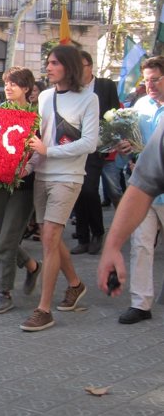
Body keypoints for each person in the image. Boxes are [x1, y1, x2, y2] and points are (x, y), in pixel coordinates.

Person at [20, 45, 99, 332]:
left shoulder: (89, 99)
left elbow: (89, 143)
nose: (49, 67)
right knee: (49, 237)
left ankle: (44, 309)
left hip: (68, 176)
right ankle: (75, 285)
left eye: (54, 63)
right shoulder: (43, 97)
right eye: (48, 62)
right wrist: (28, 166)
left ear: (68, 66)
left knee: (50, 237)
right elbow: (40, 139)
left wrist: (48, 151)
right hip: (43, 174)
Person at [105, 56, 164, 324]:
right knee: (141, 244)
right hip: (143, 190)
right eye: (147, 80)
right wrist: (126, 146)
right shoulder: (140, 106)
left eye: (155, 79)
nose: (149, 85)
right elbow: (133, 140)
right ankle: (140, 303)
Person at [0, 67, 42, 314]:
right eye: (7, 83)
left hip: (23, 187)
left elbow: (39, 151)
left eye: (14, 83)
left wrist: (27, 170)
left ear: (27, 88)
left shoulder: (38, 116)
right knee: (1, 239)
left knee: (6, 241)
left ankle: (4, 291)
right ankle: (31, 266)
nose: (8, 87)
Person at [97, 121, 164, 298]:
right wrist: (112, 246)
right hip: (152, 200)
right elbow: (143, 183)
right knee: (141, 245)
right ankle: (140, 303)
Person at [70, 51, 120, 255]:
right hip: (74, 146)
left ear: (90, 66)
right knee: (78, 191)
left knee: (90, 190)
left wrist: (112, 138)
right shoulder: (72, 88)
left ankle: (98, 232)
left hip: (97, 147)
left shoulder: (106, 85)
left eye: (81, 65)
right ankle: (82, 237)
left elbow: (115, 112)